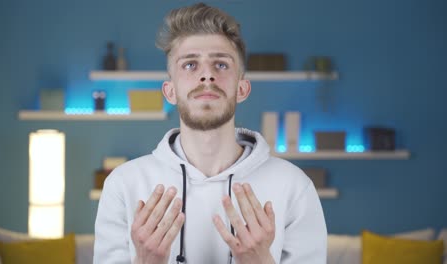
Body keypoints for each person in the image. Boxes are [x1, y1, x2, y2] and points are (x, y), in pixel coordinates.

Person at [94, 3, 327, 264]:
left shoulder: (295, 187)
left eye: (221, 65)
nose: (207, 75)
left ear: (242, 89)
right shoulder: (123, 185)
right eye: (191, 65)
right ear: (170, 91)